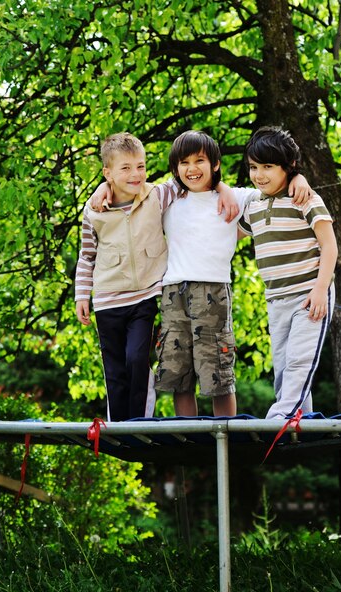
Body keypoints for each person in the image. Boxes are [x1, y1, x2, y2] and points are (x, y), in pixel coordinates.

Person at [75, 132, 237, 421]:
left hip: (145, 296)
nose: (135, 174)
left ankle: (139, 422)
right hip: (107, 300)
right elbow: (87, 255)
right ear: (107, 173)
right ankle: (119, 425)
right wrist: (81, 295)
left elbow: (193, 178)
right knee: (113, 368)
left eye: (141, 166)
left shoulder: (156, 195)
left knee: (137, 359)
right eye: (125, 168)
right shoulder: (93, 210)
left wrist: (223, 186)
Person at [153, 130, 313, 418]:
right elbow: (133, 192)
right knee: (178, 375)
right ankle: (190, 440)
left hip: (213, 293)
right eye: (184, 162)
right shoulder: (168, 198)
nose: (192, 169)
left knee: (218, 374)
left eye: (200, 160)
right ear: (175, 168)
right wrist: (104, 189)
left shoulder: (239, 197)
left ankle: (224, 434)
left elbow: (275, 186)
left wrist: (299, 177)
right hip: (173, 292)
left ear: (215, 164)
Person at [238, 126, 338, 419]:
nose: (259, 175)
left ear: (289, 167)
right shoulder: (253, 206)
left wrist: (320, 290)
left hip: (309, 295)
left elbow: (330, 247)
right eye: (254, 167)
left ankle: (280, 415)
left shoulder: (305, 199)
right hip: (276, 299)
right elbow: (229, 235)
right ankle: (299, 419)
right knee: (282, 364)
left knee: (299, 360)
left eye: (268, 167)